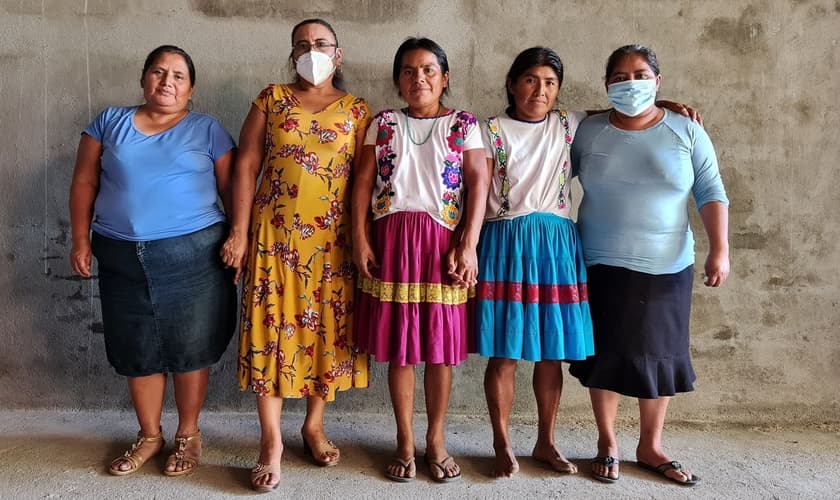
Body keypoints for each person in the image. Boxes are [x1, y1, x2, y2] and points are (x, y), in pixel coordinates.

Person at [68, 45, 236, 477]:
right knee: (136, 345)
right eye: (159, 73)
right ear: (143, 79)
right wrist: (81, 239)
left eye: (179, 76)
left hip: (195, 255)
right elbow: (85, 180)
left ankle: (188, 434)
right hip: (121, 255)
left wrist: (240, 239)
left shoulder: (208, 130)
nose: (168, 82)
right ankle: (148, 435)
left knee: (190, 346)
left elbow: (233, 191)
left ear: (191, 88)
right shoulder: (109, 122)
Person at [569, 44, 730, 486]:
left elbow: (710, 190)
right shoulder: (588, 131)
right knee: (605, 354)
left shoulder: (686, 130)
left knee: (661, 355)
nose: (631, 84)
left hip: (668, 263)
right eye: (619, 77)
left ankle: (650, 444)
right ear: (606, 85)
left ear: (658, 81)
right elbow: (550, 163)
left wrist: (721, 248)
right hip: (599, 259)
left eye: (641, 75)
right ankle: (607, 442)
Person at [220, 19, 371, 492]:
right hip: (274, 238)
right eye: (302, 45)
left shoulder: (359, 111)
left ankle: (313, 425)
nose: (312, 51)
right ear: (292, 54)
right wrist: (239, 233)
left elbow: (367, 182)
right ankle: (271, 442)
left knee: (327, 334)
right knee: (271, 332)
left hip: (334, 242)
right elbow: (246, 164)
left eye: (321, 44)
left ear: (338, 54)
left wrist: (366, 237)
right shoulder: (271, 99)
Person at [352, 37, 488, 483]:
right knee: (402, 351)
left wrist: (467, 243)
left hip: (441, 244)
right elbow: (362, 185)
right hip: (392, 239)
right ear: (398, 79)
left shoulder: (464, 125)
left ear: (444, 78)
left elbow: (477, 186)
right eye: (409, 71)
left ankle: (436, 440)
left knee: (440, 350)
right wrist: (360, 239)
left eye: (429, 70)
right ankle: (405, 440)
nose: (419, 79)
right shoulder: (383, 124)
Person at [474, 47, 594, 479]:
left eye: (549, 83)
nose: (539, 90)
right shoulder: (487, 130)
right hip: (506, 240)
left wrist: (667, 104)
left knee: (551, 353)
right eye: (530, 80)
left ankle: (546, 440)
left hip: (557, 244)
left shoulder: (570, 124)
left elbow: (619, 110)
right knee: (505, 350)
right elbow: (476, 191)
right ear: (512, 82)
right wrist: (468, 246)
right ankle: (502, 441)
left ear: (558, 90)